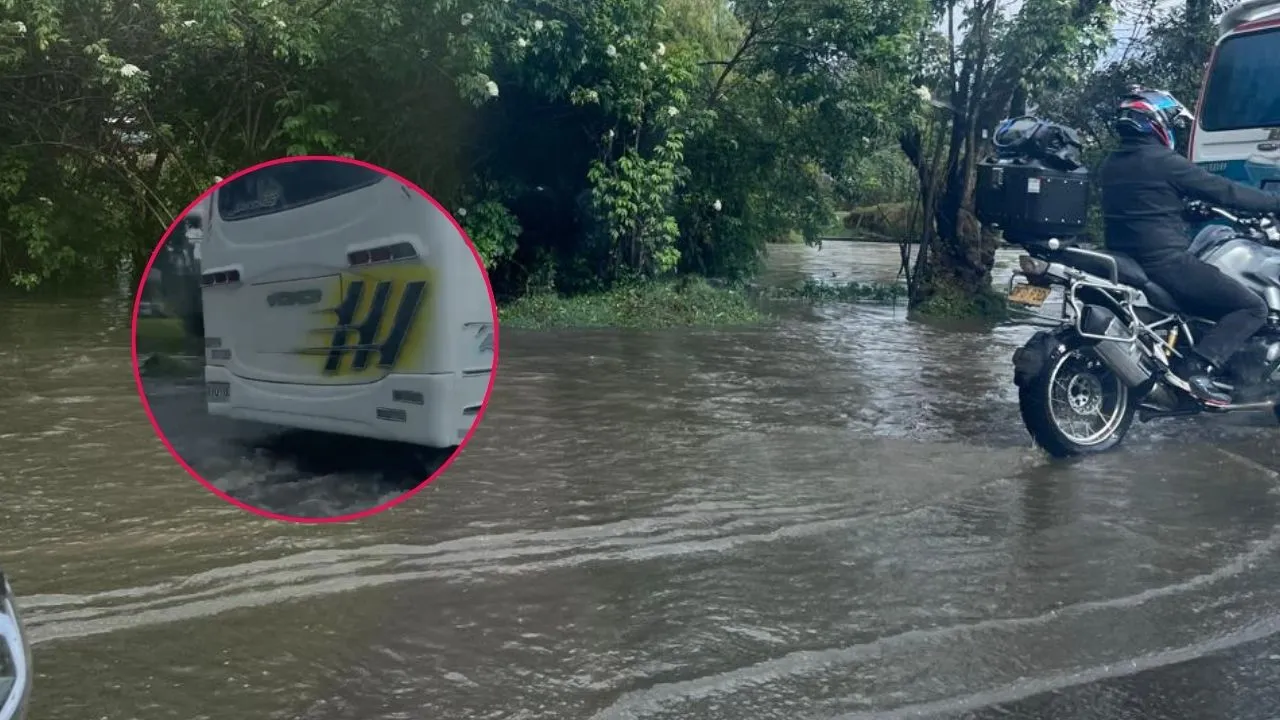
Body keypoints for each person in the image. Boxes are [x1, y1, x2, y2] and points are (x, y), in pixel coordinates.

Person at [1098, 87, 1280, 406]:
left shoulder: (1111, 164)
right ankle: (1199, 367)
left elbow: (1146, 207)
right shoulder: (1165, 162)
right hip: (1165, 262)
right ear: (1156, 122)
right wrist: (1274, 202)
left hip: (1126, 257)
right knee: (1252, 307)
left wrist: (1188, 211)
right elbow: (1226, 191)